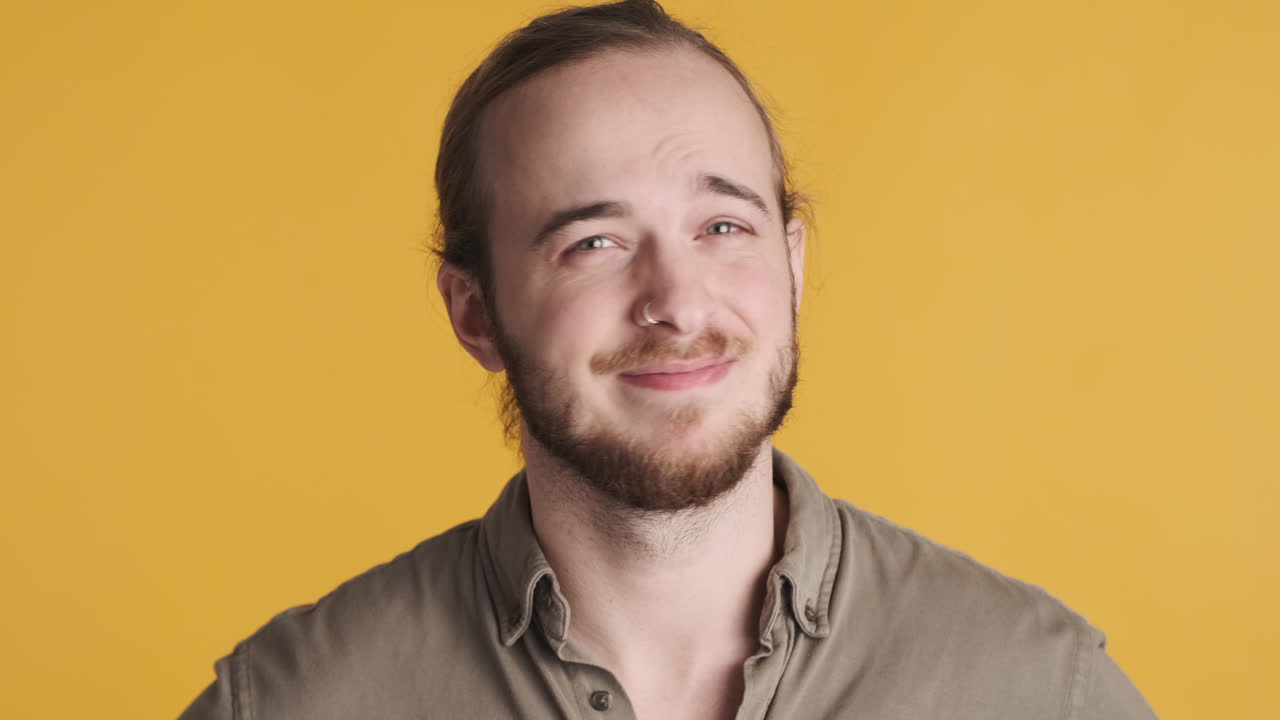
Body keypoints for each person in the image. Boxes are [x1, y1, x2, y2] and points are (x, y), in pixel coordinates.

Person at [180, 1, 1157, 718]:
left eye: (723, 226)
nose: (678, 303)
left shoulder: (1038, 689)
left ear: (791, 263)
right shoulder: (287, 705)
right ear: (473, 312)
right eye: (591, 243)